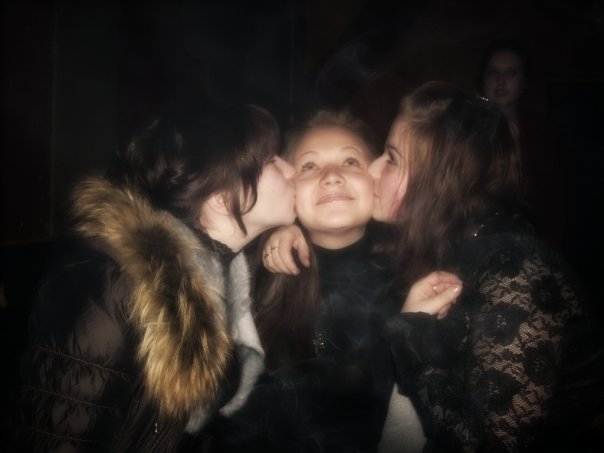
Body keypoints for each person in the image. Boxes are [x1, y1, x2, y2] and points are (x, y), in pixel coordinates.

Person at [266, 81, 604, 451]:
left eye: (392, 158)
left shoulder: (515, 270)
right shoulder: (441, 252)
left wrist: (413, 335)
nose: (374, 168)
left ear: (436, 180)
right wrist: (281, 227)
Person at [8, 101, 297, 452]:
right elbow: (56, 438)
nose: (291, 168)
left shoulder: (228, 277)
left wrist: (293, 233)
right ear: (222, 198)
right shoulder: (111, 283)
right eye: (272, 160)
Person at [208, 110, 462, 453]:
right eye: (309, 166)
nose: (331, 177)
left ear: (377, 179)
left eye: (350, 162)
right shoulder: (250, 276)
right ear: (288, 185)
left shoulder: (422, 279)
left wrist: (412, 332)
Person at [479, 39, 566, 249]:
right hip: (482, 237)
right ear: (483, 79)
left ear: (524, 81)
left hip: (536, 239)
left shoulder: (542, 130)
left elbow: (553, 194)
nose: (500, 81)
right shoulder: (466, 129)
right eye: (493, 73)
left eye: (511, 73)